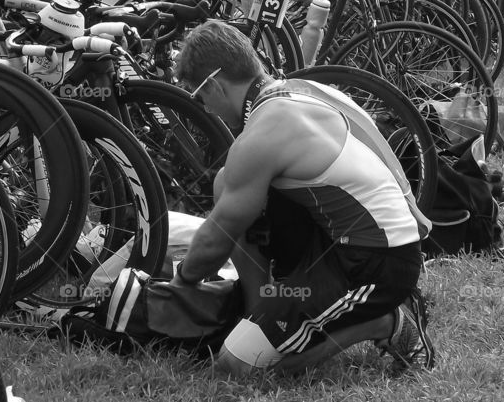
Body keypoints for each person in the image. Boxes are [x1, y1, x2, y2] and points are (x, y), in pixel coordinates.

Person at [171, 20, 436, 376]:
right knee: (226, 182)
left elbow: (217, 236)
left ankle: (388, 321)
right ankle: (262, 310)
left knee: (236, 366)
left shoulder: (266, 130)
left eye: (200, 96)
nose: (205, 109)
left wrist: (183, 281)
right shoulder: (297, 89)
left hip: (376, 263)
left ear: (216, 85)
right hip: (350, 241)